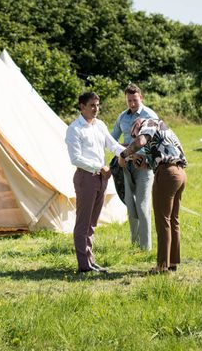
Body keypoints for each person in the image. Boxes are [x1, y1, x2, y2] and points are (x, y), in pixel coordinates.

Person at [65, 91, 126, 274]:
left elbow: (113, 145)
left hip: (102, 178)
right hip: (86, 178)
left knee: (92, 222)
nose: (96, 109)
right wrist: (99, 168)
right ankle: (84, 265)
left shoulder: (100, 125)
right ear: (82, 107)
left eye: (98, 105)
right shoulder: (74, 129)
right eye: (92, 105)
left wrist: (129, 153)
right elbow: (75, 158)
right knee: (83, 223)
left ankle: (90, 261)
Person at [119, 117, 187, 273]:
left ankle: (162, 266)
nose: (135, 136)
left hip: (167, 174)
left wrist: (123, 155)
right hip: (180, 173)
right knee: (173, 220)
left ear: (137, 125)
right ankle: (172, 263)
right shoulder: (163, 130)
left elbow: (140, 142)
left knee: (162, 221)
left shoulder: (148, 124)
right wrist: (143, 162)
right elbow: (153, 160)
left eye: (134, 134)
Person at [111, 84, 158, 250]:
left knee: (142, 204)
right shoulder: (122, 117)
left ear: (141, 98)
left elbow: (155, 143)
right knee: (130, 205)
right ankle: (135, 244)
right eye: (129, 100)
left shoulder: (150, 115)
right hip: (126, 163)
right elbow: (112, 140)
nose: (132, 103)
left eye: (135, 100)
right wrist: (121, 151)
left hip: (144, 165)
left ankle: (145, 248)